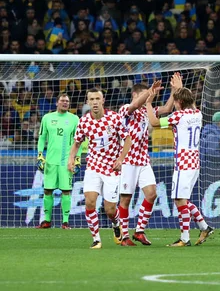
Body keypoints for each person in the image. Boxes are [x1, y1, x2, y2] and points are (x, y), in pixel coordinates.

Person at [116, 73, 182, 246]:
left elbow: (167, 109)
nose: (148, 98)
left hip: (144, 160)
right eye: (144, 95)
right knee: (125, 199)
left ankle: (139, 231)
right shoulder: (125, 110)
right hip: (128, 159)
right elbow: (137, 104)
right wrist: (150, 93)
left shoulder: (148, 111)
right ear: (135, 95)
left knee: (152, 194)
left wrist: (174, 91)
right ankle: (124, 236)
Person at [146, 87, 214, 247]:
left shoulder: (178, 116)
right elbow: (191, 103)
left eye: (176, 101)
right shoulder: (198, 114)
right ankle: (204, 227)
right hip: (194, 163)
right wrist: (181, 89)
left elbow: (154, 122)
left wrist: (148, 104)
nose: (174, 104)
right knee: (182, 200)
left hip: (183, 164)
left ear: (180, 102)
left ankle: (185, 238)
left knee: (179, 199)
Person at [68, 88, 132, 249]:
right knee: (89, 202)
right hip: (93, 166)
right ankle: (96, 239)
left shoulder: (114, 118)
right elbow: (76, 143)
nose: (95, 102)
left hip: (112, 169)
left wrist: (120, 159)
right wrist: (71, 159)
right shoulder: (84, 121)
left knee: (109, 210)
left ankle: (116, 223)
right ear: (87, 102)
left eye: (98, 99)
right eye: (92, 99)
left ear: (103, 101)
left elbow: (128, 139)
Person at [36, 93, 81, 229]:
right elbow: (42, 138)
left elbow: (78, 141)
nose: (65, 103)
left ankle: (65, 222)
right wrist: (39, 155)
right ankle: (47, 221)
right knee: (47, 190)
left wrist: (77, 159)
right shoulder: (47, 118)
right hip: (50, 161)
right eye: (62, 101)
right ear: (57, 103)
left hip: (66, 162)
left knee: (66, 191)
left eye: (67, 101)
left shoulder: (74, 119)